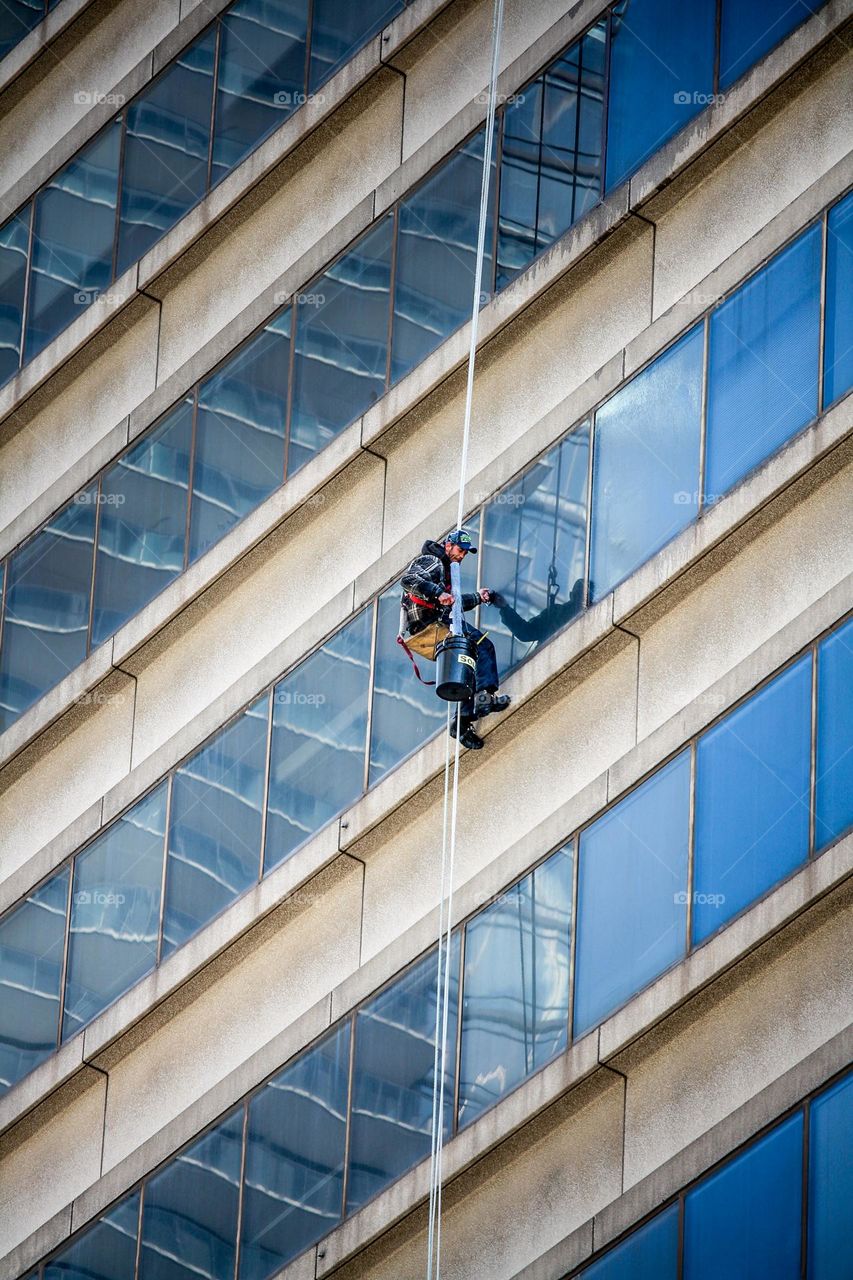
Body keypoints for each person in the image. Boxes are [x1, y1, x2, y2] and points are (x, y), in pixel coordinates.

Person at [400, 529, 510, 750]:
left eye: (465, 553)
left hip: (437, 623)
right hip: (428, 623)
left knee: (465, 665)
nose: (461, 556)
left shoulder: (449, 574)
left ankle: (461, 723)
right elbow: (408, 579)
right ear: (448, 545)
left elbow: (455, 604)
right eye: (460, 550)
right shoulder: (433, 560)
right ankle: (484, 696)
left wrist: (480, 597)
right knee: (481, 646)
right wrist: (437, 593)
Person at [488, 577, 587, 646]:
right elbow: (527, 632)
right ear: (571, 595)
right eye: (578, 593)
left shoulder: (590, 615)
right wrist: (505, 608)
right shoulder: (555, 613)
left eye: (583, 594)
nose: (580, 597)